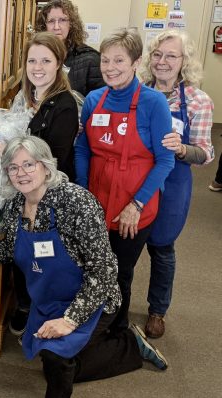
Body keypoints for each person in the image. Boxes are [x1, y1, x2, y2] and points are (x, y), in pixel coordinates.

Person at [0, 136, 168, 398]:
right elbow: (11, 248)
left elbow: (104, 271)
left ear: (46, 166)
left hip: (92, 298)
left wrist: (69, 320)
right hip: (49, 299)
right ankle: (113, 347)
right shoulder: (16, 205)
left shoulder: (76, 202)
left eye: (29, 164)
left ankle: (127, 345)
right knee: (53, 362)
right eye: (13, 167)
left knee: (55, 359)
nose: (21, 173)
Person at [75, 28, 175, 332]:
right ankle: (88, 326)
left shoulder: (153, 103)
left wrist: (137, 204)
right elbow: (82, 148)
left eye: (119, 60)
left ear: (135, 62)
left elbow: (165, 159)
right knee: (90, 266)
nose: (110, 67)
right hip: (96, 198)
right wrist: (82, 192)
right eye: (105, 60)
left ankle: (115, 330)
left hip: (133, 203)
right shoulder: (94, 99)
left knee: (120, 271)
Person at [0, 31, 79, 338]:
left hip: (49, 196)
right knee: (24, 249)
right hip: (28, 192)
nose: (37, 67)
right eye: (32, 60)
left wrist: (10, 153)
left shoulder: (64, 105)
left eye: (46, 60)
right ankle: (27, 304)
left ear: (59, 64)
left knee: (45, 254)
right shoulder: (37, 101)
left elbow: (53, 158)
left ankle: (43, 312)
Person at [138, 30, 215, 338]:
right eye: (157, 55)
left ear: (184, 61)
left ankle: (158, 310)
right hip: (136, 178)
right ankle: (114, 302)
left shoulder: (198, 101)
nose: (163, 61)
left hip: (172, 184)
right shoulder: (139, 92)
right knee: (125, 247)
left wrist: (182, 149)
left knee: (162, 247)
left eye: (171, 55)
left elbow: (205, 153)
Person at [36, 0, 105, 96]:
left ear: (71, 24)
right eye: (51, 21)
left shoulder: (91, 60)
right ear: (44, 26)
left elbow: (101, 104)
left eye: (62, 20)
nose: (56, 27)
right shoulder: (37, 57)